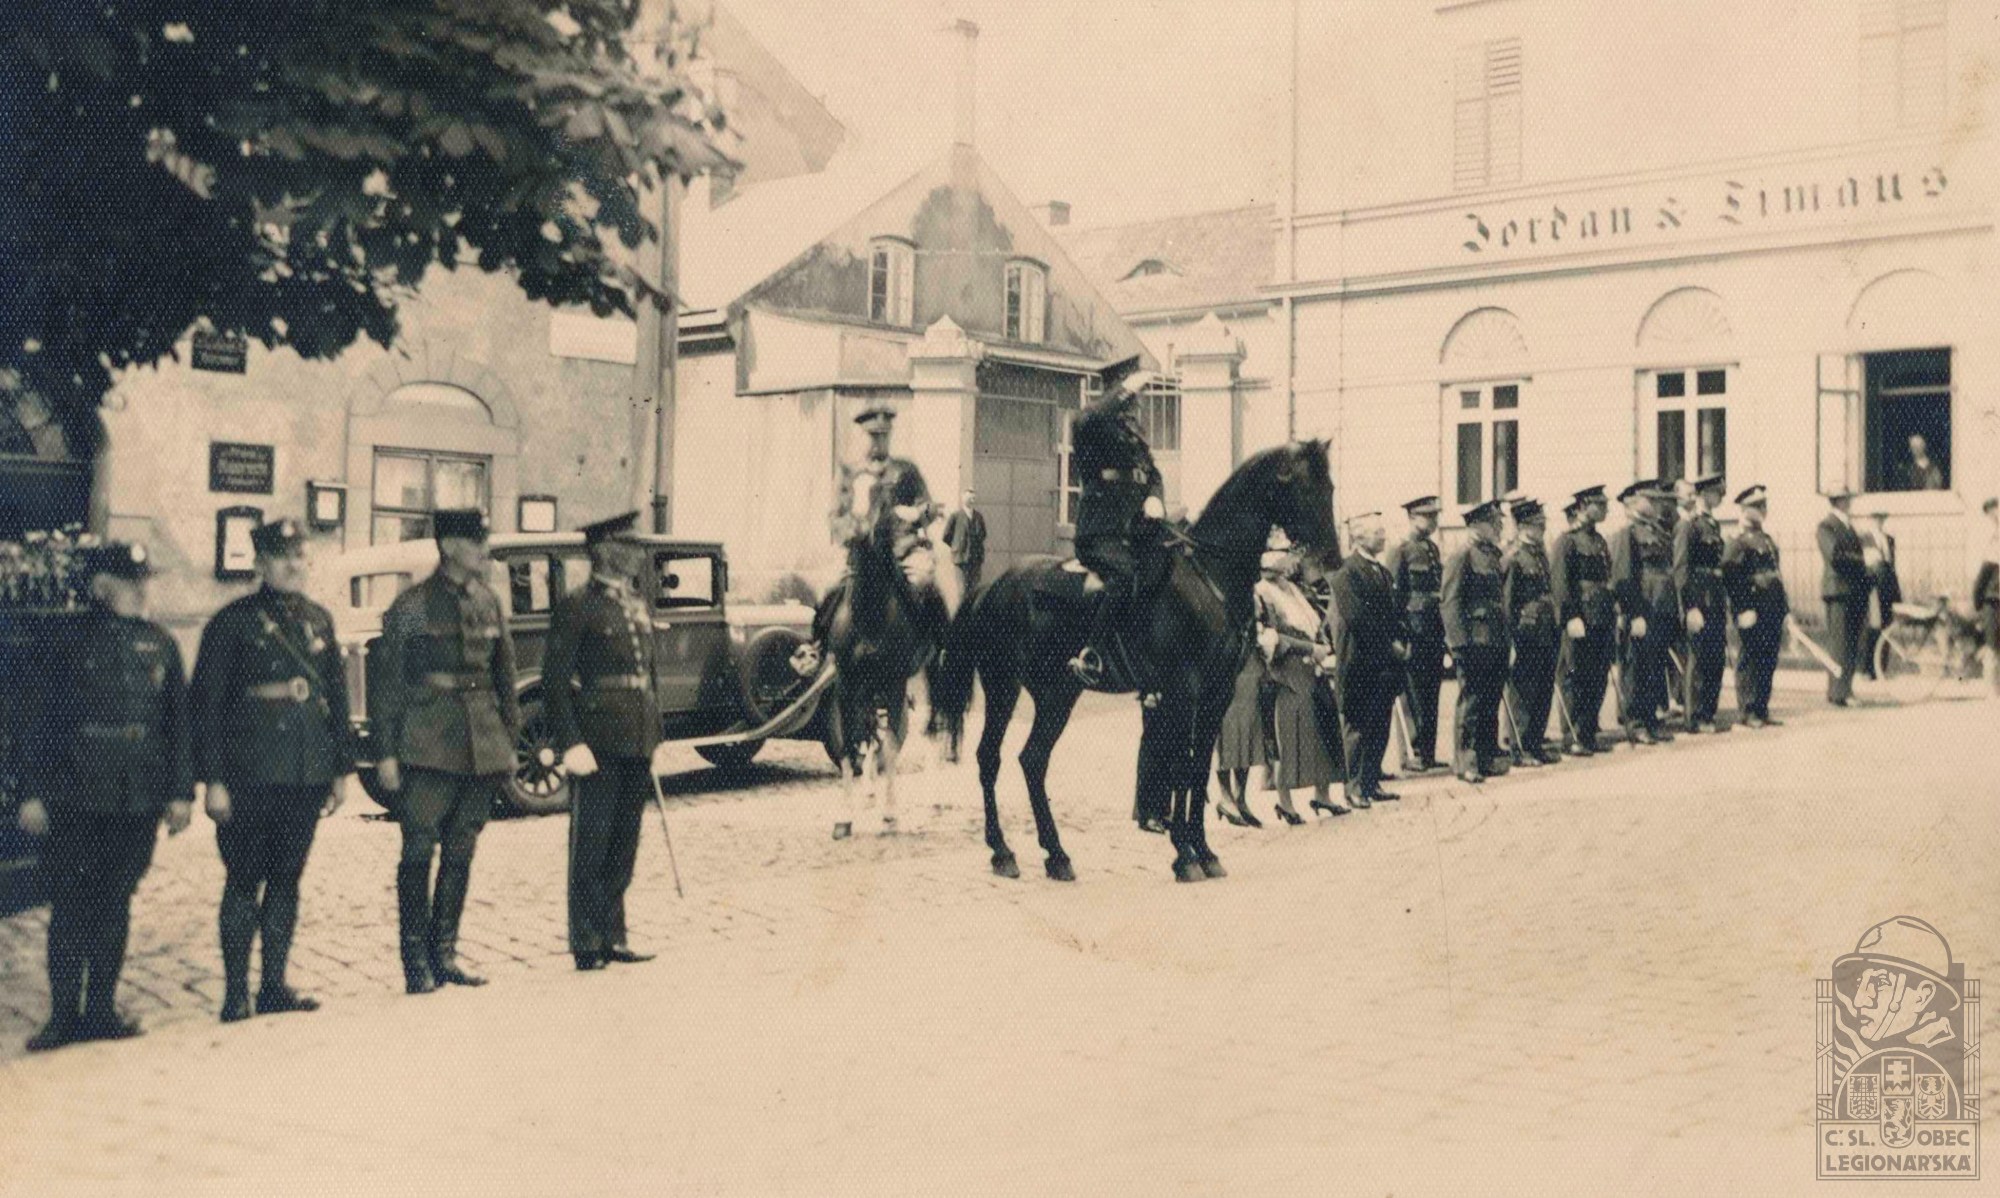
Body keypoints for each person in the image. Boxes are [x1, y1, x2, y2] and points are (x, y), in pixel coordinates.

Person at [17, 543, 193, 1051]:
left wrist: (180, 793)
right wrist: (31, 794)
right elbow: (35, 723)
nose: (142, 590)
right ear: (101, 587)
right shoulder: (62, 641)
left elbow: (178, 725)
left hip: (136, 796)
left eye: (144, 580)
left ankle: (100, 1011)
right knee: (71, 905)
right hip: (75, 795)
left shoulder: (160, 643)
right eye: (131, 581)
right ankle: (62, 1017)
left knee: (116, 902)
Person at [190, 518, 353, 1023]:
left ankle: (274, 986)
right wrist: (214, 781)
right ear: (260, 563)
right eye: (282, 557)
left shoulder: (319, 620)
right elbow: (206, 706)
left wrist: (340, 769)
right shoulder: (232, 622)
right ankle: (236, 993)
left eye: (300, 556)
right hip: (250, 773)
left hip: (305, 772)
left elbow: (336, 697)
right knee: (244, 878)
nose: (293, 565)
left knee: (287, 878)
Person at [372, 508, 519, 995]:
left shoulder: (489, 601)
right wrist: (386, 752)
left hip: (481, 741)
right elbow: (389, 685)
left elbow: (504, 678)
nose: (485, 551)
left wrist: (508, 742)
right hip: (428, 742)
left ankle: (446, 953)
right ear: (450, 545)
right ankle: (416, 961)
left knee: (462, 848)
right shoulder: (413, 606)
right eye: (477, 542)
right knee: (419, 847)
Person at [543, 511, 663, 973]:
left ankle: (614, 934)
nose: (637, 553)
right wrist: (570, 741)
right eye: (629, 545)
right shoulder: (578, 606)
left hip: (636, 735)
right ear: (604, 550)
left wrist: (655, 731)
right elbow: (555, 681)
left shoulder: (635, 603)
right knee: (591, 843)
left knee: (624, 841)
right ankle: (587, 941)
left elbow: (648, 673)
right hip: (597, 739)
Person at [1067, 357, 1166, 697]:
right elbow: (1091, 416)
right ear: (1117, 389)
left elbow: (1153, 473)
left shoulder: (1133, 434)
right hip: (1101, 532)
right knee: (1125, 576)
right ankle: (1091, 653)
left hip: (1137, 528)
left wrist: (1155, 498)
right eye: (1135, 394)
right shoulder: (1092, 424)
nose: (1139, 401)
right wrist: (1124, 390)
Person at [820, 401, 947, 642]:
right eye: (873, 436)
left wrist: (916, 513)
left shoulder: (906, 471)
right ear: (862, 435)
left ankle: (940, 648)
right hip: (858, 553)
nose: (878, 442)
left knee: (925, 581)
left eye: (884, 436)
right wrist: (853, 530)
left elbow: (928, 506)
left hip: (903, 550)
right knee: (828, 586)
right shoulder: (849, 473)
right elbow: (835, 516)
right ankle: (817, 646)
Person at [1255, 548, 1344, 821]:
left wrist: (1320, 644)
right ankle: (1285, 802)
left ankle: (1323, 795)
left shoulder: (1292, 587)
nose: (1292, 561)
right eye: (1286, 556)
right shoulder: (1262, 592)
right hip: (1286, 669)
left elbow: (1309, 622)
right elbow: (1269, 636)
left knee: (1323, 726)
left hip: (1310, 666)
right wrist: (1309, 648)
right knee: (1289, 735)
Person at [1328, 511, 1406, 806]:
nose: (1383, 537)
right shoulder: (1347, 573)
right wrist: (1390, 645)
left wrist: (1401, 639)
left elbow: (1394, 613)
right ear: (1359, 538)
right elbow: (1357, 618)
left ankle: (1371, 782)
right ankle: (1353, 787)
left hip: (1384, 665)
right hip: (1360, 664)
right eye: (1377, 533)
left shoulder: (1382, 572)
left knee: (1380, 725)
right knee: (1358, 728)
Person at [1443, 500, 1510, 784]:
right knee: (1471, 702)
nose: (1499, 527)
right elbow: (1451, 602)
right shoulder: (1462, 555)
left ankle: (1485, 756)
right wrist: (1458, 644)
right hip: (1473, 641)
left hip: (1495, 639)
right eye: (1494, 523)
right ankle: (1466, 761)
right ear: (1477, 525)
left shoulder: (1492, 556)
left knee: (1490, 700)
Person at [1610, 480, 1679, 744]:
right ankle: (1636, 722)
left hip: (1659, 608)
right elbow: (1624, 577)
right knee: (1635, 666)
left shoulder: (1658, 532)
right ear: (1634, 503)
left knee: (1654, 665)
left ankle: (1650, 718)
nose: (1656, 504)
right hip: (1642, 609)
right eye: (1650, 500)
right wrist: (1632, 612)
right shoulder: (1627, 534)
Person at [1551, 486, 1617, 755]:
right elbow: (1561, 584)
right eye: (1598, 504)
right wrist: (1570, 616)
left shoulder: (1599, 540)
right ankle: (1572, 735)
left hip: (1601, 615)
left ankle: (1588, 732)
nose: (1605, 509)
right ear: (1582, 507)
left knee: (1597, 675)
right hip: (1580, 617)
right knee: (1574, 675)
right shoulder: (1567, 541)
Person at [1387, 495, 1446, 772]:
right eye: (1427, 516)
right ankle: (1414, 752)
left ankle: (1429, 752)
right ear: (1412, 517)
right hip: (1413, 631)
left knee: (1431, 692)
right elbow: (1393, 597)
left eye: (1435, 516)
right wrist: (1398, 635)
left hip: (1433, 630)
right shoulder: (1401, 550)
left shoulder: (1432, 549)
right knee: (1412, 693)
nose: (1433, 521)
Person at [1501, 497, 1561, 765]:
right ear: (1524, 526)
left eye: (1543, 524)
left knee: (1543, 688)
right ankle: (1520, 747)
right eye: (1538, 525)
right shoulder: (1514, 557)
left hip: (1545, 630)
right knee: (1524, 691)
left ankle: (1535, 743)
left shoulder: (1539, 554)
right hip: (1525, 633)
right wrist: (1510, 640)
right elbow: (1507, 603)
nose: (1542, 529)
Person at [1722, 485, 1788, 728]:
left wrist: (1784, 608)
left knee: (1768, 658)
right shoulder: (1738, 541)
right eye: (1757, 506)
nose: (1763, 510)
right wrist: (1742, 608)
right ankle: (1748, 710)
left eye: (1764, 505)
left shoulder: (1766, 540)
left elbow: (1776, 576)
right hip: (1752, 608)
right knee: (1750, 658)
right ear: (1744, 510)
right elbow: (1732, 577)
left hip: (1771, 607)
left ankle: (1762, 707)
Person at [1672, 474, 1730, 733]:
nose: (1721, 497)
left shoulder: (1712, 525)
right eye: (1717, 493)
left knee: (1715, 657)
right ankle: (1694, 716)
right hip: (1699, 598)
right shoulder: (1689, 526)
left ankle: (1709, 713)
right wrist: (1690, 606)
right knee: (1698, 658)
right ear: (1704, 494)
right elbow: (1682, 569)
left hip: (1714, 597)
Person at [1817, 489, 1869, 706]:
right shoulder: (1826, 526)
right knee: (1839, 643)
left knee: (1851, 642)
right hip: (1838, 590)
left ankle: (1844, 690)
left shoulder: (1848, 525)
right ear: (1838, 501)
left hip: (1853, 590)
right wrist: (1862, 561)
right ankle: (1839, 692)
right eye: (1846, 499)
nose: (1849, 503)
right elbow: (1835, 556)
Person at [1859, 510, 1901, 679]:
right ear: (1870, 519)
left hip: (1888, 587)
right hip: (1873, 586)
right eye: (1875, 518)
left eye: (1882, 518)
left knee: (1887, 626)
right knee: (1873, 625)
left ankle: (1881, 668)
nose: (1879, 521)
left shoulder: (1890, 539)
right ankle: (1867, 669)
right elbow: (1866, 564)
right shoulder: (1864, 538)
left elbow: (1892, 566)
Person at [1975, 497, 2000, 700]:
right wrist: (1977, 602)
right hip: (1992, 602)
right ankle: (1991, 689)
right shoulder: (1991, 546)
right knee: (1992, 647)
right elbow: (1981, 580)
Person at [941, 487, 987, 595]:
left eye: (973, 497)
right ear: (963, 499)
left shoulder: (978, 517)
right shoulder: (955, 516)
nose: (972, 499)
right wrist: (957, 546)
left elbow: (983, 534)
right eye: (969, 497)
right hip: (961, 559)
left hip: (976, 559)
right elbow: (946, 536)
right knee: (963, 591)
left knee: (974, 591)